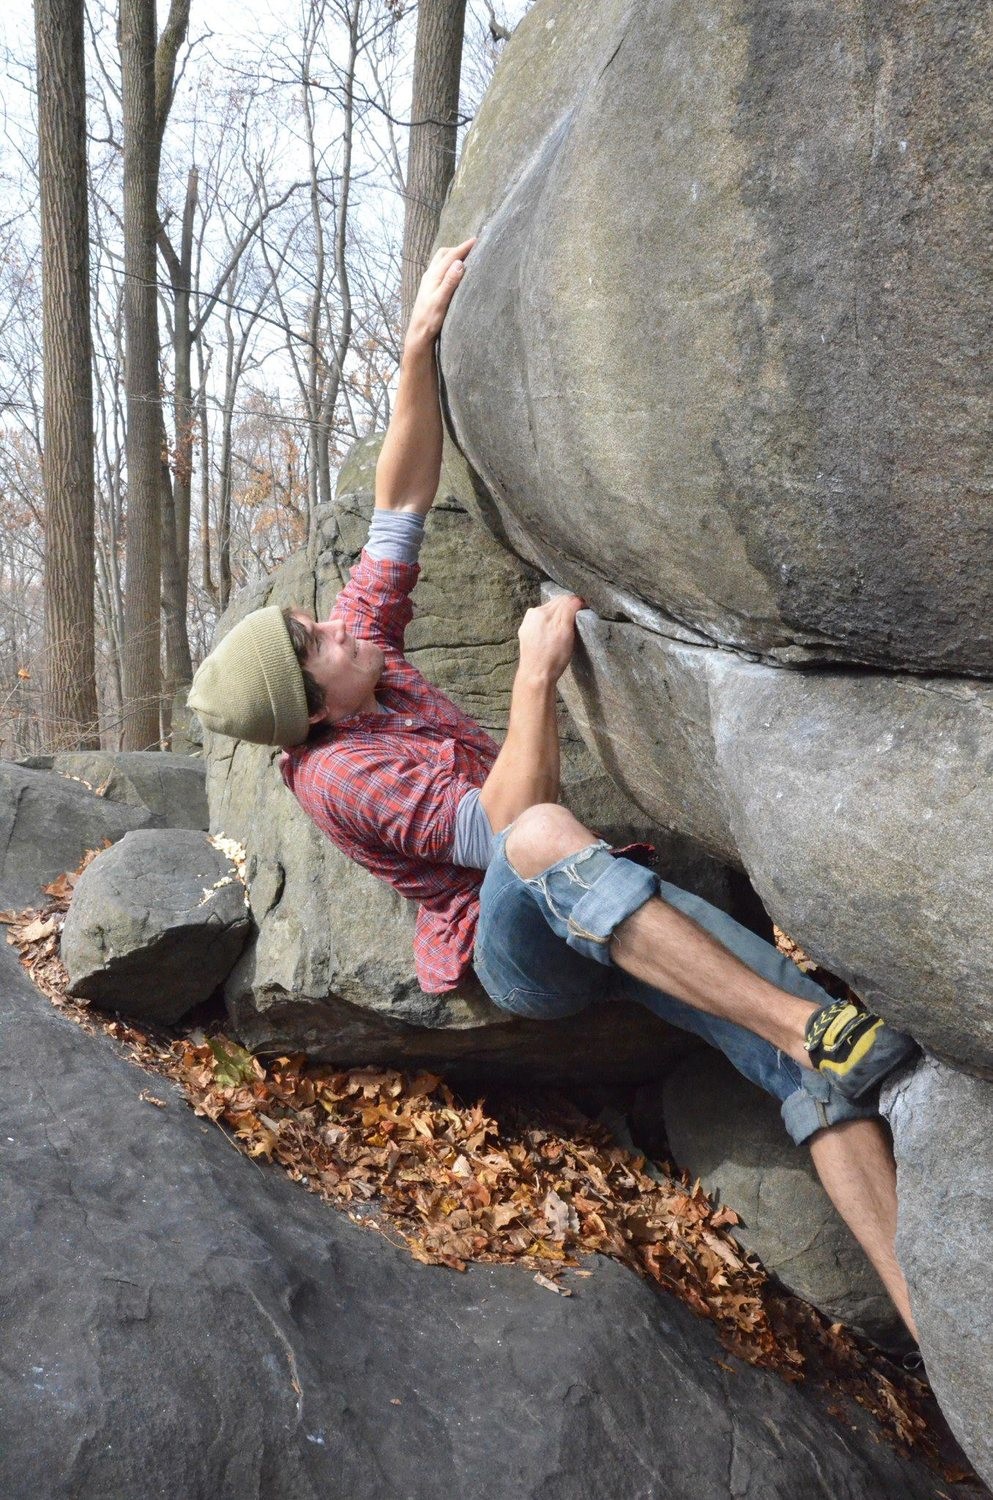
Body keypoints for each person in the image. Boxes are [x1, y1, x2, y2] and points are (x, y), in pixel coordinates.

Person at [189, 240, 920, 1336]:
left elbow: (399, 500)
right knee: (541, 838)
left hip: (600, 898)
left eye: (319, 618)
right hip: (523, 950)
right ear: (312, 708)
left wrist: (417, 344)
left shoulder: (359, 670)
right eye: (316, 638)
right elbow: (502, 831)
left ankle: (938, 1332)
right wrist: (535, 675)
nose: (335, 621)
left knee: (805, 1069)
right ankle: (804, 1025)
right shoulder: (341, 773)